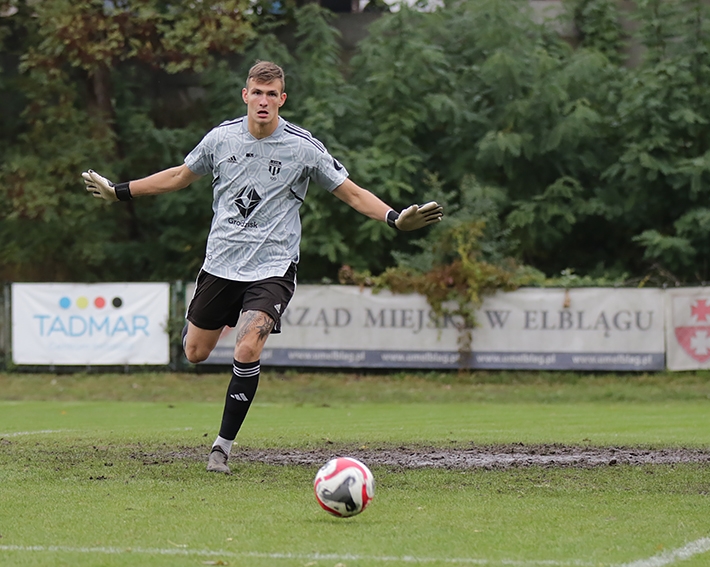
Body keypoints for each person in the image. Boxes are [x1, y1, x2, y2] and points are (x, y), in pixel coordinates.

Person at [81, 60, 442, 475]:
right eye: (258, 92)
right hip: (221, 263)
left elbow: (353, 193)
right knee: (195, 352)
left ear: (282, 99)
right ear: (246, 96)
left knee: (247, 347)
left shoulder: (302, 147)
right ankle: (209, 323)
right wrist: (119, 192)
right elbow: (180, 176)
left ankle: (221, 447)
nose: (265, 101)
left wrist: (395, 218)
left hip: (272, 266)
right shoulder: (221, 139)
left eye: (273, 94)